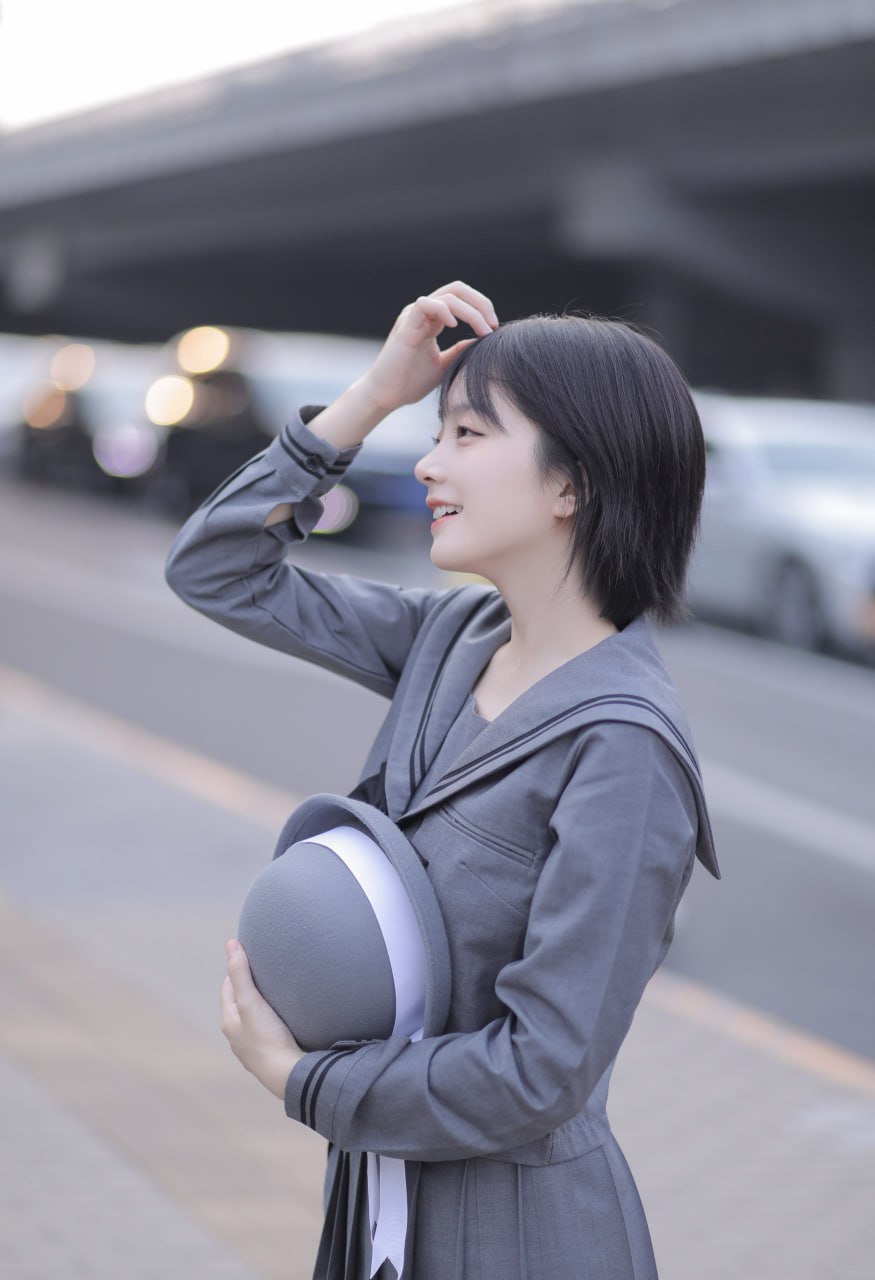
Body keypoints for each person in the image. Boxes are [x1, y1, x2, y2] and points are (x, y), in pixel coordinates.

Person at [165, 281, 720, 1280]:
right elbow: (216, 569)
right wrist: (372, 393)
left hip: (517, 1234)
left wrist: (305, 1081)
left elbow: (541, 1068)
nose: (426, 461)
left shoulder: (622, 747)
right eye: (433, 432)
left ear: (571, 484)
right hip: (380, 1204)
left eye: (467, 433)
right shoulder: (451, 638)